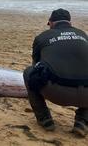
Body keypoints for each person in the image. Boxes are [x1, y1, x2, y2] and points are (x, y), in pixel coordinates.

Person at [23, 8, 88, 137]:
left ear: (51, 23)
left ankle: (44, 119)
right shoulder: (83, 35)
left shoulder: (42, 37)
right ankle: (83, 120)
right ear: (70, 23)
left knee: (29, 72)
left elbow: (36, 66)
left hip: (57, 93)